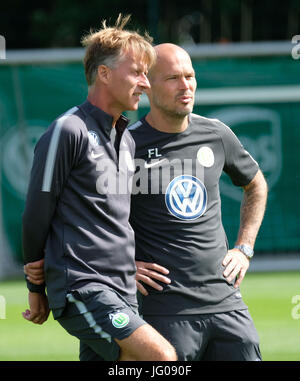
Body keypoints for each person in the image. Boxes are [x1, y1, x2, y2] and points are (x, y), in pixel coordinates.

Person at [22, 17, 177, 362]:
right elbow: (36, 211)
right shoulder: (68, 130)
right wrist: (36, 287)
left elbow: (111, 220)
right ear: (104, 74)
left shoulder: (127, 137)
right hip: (83, 288)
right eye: (136, 72)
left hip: (123, 290)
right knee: (162, 358)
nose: (145, 83)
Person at [127, 43, 268, 361]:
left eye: (190, 76)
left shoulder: (216, 134)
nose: (186, 85)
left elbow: (256, 184)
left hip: (227, 304)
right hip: (164, 312)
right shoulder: (125, 145)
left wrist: (244, 248)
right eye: (173, 78)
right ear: (148, 84)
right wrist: (119, 265)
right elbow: (90, 217)